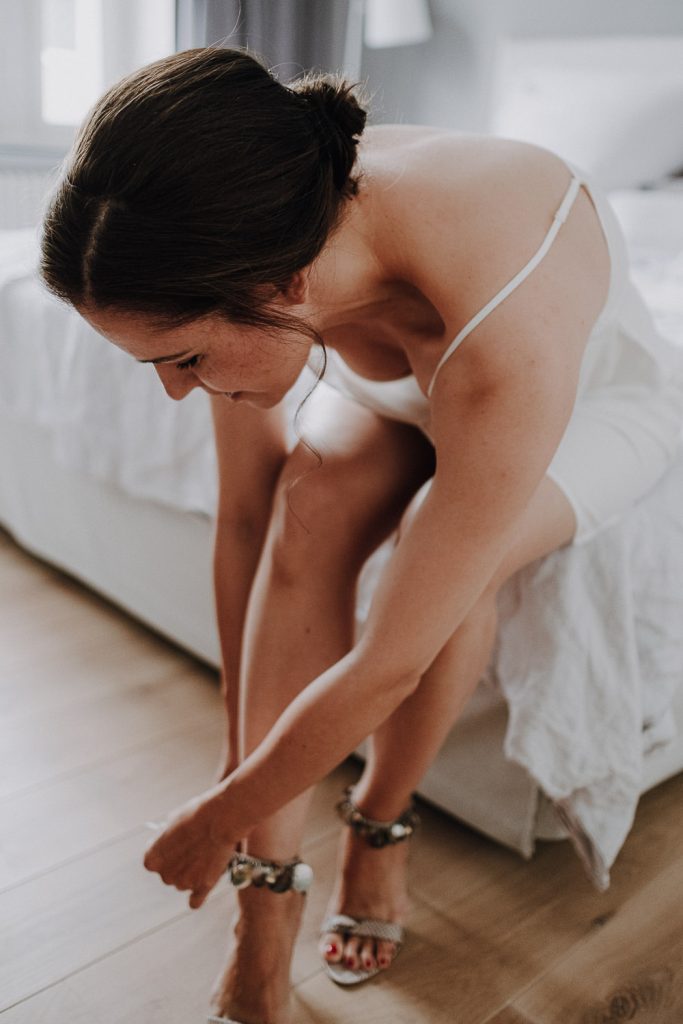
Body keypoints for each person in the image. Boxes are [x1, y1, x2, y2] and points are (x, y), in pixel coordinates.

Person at [40, 46, 683, 1024]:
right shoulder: (241, 222)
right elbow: (247, 520)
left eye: (184, 359)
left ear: (285, 285)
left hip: (589, 400)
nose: (174, 390)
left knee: (445, 565)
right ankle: (264, 925)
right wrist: (241, 764)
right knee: (307, 503)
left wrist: (216, 819)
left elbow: (390, 660)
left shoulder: (505, 312)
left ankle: (380, 822)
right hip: (404, 381)